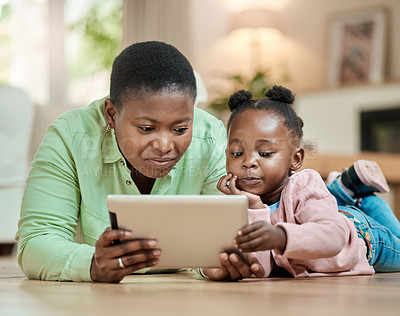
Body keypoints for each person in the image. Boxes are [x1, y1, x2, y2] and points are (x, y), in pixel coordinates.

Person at [16, 41, 263, 283]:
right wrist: (92, 264)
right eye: (147, 128)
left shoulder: (209, 134)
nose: (165, 146)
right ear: (111, 114)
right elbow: (35, 242)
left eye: (180, 129)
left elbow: (219, 236)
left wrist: (214, 264)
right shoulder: (70, 136)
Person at [202, 85, 400, 279]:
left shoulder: (304, 184)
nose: (248, 162)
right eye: (237, 153)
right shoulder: (230, 198)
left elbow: (334, 236)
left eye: (265, 153)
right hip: (325, 210)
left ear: (295, 159)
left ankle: (363, 199)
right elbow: (261, 269)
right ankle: (341, 191)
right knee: (321, 203)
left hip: (363, 236)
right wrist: (254, 207)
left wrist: (281, 237)